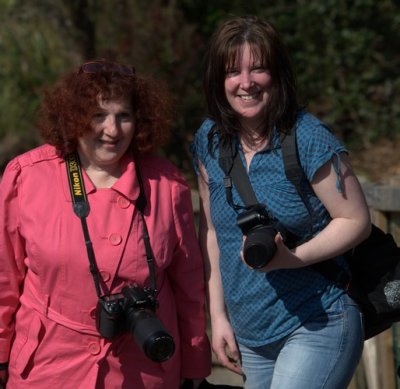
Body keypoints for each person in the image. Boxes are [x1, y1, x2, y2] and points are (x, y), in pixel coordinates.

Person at [0, 59, 212, 388]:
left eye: (123, 116)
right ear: (74, 117)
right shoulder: (25, 176)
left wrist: (196, 361)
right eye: (98, 115)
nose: (112, 130)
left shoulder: (167, 184)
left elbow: (188, 284)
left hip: (144, 370)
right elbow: (4, 279)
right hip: (47, 368)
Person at [191, 15, 371, 389]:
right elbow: (213, 231)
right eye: (232, 72)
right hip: (252, 335)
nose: (245, 83)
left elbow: (355, 220)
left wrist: (294, 258)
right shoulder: (209, 140)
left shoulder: (307, 137)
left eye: (258, 69)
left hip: (317, 319)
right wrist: (219, 316)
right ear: (217, 80)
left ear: (277, 73)